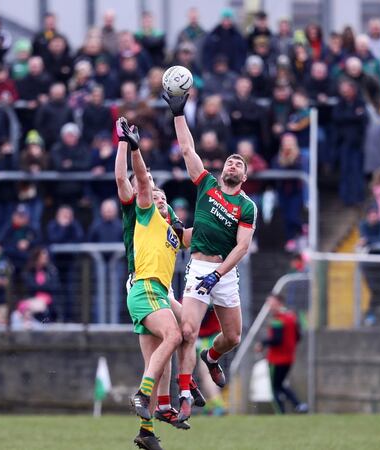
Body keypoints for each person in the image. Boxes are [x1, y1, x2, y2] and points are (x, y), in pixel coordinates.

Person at [162, 92, 257, 424]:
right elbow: (188, 149)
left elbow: (242, 247)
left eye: (239, 163)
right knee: (187, 330)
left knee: (232, 337)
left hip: (224, 271)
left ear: (244, 177)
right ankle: (185, 394)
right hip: (200, 266)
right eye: (230, 160)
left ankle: (211, 357)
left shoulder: (246, 207)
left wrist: (219, 274)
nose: (233, 163)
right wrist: (178, 112)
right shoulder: (207, 186)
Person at [114, 118, 194, 446]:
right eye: (155, 196)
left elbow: (195, 237)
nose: (159, 199)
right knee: (176, 334)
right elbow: (133, 179)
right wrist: (129, 144)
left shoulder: (172, 231)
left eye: (164, 198)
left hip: (157, 288)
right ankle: (152, 398)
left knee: (159, 357)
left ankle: (147, 431)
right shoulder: (141, 212)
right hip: (143, 284)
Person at [254, 294, 308, 414]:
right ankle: (298, 405)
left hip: (276, 359)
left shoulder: (278, 319)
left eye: (270, 302)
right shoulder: (292, 316)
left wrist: (262, 343)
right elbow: (298, 336)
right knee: (281, 384)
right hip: (289, 357)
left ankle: (281, 412)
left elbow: (277, 339)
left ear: (278, 303)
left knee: (275, 387)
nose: (268, 305)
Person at [333, 79, 368, 206]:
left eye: (347, 90)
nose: (345, 93)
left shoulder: (360, 103)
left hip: (357, 144)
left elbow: (363, 119)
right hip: (344, 143)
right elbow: (337, 118)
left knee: (357, 171)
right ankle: (346, 198)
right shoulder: (340, 104)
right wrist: (354, 116)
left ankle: (358, 197)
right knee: (345, 171)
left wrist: (349, 117)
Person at [202, 8, 247, 74]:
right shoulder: (213, 35)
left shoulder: (238, 36)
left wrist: (238, 68)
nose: (226, 21)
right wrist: (208, 68)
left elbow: (242, 53)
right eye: (224, 19)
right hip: (215, 71)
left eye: (228, 19)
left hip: (233, 71)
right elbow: (207, 53)